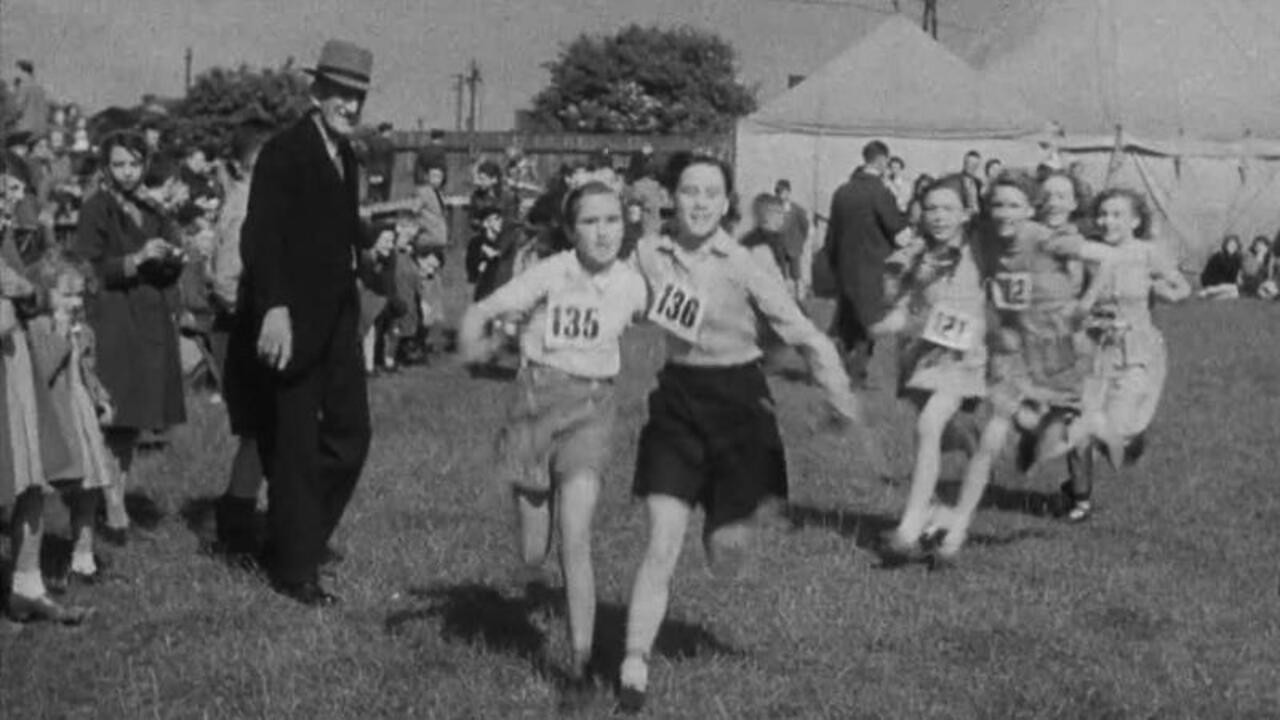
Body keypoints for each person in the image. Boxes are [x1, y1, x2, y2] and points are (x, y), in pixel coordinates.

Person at [620, 154, 879, 712]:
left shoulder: (743, 263)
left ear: (726, 203)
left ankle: (726, 522)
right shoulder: (648, 254)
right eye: (689, 191)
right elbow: (609, 298)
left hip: (739, 408)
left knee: (725, 555)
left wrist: (839, 396)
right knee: (661, 539)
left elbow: (803, 333)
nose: (699, 203)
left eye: (711, 193)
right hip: (678, 405)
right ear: (673, 197)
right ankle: (633, 667)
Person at [459, 180, 648, 692]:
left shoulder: (632, 283)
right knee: (532, 552)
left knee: (576, 536)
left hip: (591, 412)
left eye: (612, 220)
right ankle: (529, 561)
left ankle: (580, 666)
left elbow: (687, 315)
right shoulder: (551, 272)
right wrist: (474, 341)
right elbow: (484, 309)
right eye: (590, 222)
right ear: (570, 229)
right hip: (535, 408)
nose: (603, 232)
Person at [230, 39, 375, 606]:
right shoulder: (284, 153)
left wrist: (371, 245)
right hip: (287, 321)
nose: (350, 105)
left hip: (337, 319)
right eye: (340, 93)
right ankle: (294, 569)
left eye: (358, 96)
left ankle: (293, 536)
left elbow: (334, 228)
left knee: (351, 437)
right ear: (317, 92)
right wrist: (273, 309)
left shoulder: (347, 156)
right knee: (292, 445)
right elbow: (260, 236)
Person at [73, 130, 187, 546]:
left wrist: (174, 258)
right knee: (114, 415)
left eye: (134, 164)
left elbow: (167, 263)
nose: (127, 172)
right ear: (106, 167)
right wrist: (135, 260)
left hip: (149, 317)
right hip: (114, 319)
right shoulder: (96, 208)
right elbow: (88, 268)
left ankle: (115, 498)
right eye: (118, 164)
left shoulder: (152, 209)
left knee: (133, 419)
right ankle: (111, 507)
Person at [874, 177, 987, 558]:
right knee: (940, 435)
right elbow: (899, 303)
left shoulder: (981, 251)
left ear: (966, 213)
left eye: (948, 208)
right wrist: (890, 317)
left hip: (966, 360)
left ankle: (910, 523)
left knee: (930, 425)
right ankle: (939, 511)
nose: (939, 216)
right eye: (932, 208)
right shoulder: (914, 253)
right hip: (921, 359)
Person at [1063, 188, 1189, 519]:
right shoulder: (1088, 253)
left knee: (1117, 428)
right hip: (1094, 349)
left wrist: (1161, 290)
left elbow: (1182, 288)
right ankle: (1079, 497)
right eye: (1103, 214)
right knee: (1078, 423)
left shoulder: (1148, 253)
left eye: (1117, 215)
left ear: (1135, 221)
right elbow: (1071, 296)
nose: (1107, 221)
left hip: (1137, 350)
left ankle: (1127, 441)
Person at [25, 250, 116, 586]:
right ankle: (31, 562)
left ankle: (83, 554)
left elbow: (88, 372)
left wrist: (101, 399)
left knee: (88, 488)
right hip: (51, 418)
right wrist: (60, 336)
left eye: (79, 294)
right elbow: (41, 372)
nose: (75, 302)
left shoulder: (85, 331)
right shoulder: (36, 329)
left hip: (80, 416)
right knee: (39, 491)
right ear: (44, 292)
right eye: (66, 294)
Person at [211, 122, 273, 560]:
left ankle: (241, 519)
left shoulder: (259, 202)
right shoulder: (243, 208)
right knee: (258, 432)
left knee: (262, 434)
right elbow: (226, 282)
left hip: (252, 328)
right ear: (240, 167)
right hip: (244, 333)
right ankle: (235, 526)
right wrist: (258, 318)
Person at [823, 140, 908, 387]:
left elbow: (831, 236)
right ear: (882, 160)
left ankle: (836, 365)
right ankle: (856, 374)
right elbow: (897, 230)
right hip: (872, 268)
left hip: (844, 267)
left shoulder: (842, 192)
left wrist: (834, 264)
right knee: (870, 323)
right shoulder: (880, 192)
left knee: (847, 321)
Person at [774, 179, 810, 290]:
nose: (781, 195)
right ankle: (785, 296)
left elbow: (805, 227)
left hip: (794, 247)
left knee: (796, 276)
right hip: (780, 248)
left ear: (788, 192)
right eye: (778, 192)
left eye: (783, 192)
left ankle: (798, 296)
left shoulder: (797, 210)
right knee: (782, 276)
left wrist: (800, 242)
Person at [11, 61, 49, 137]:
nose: (16, 74)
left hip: (26, 128)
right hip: (40, 127)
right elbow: (45, 109)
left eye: (17, 71)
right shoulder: (39, 86)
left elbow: (18, 107)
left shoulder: (24, 86)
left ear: (23, 71)